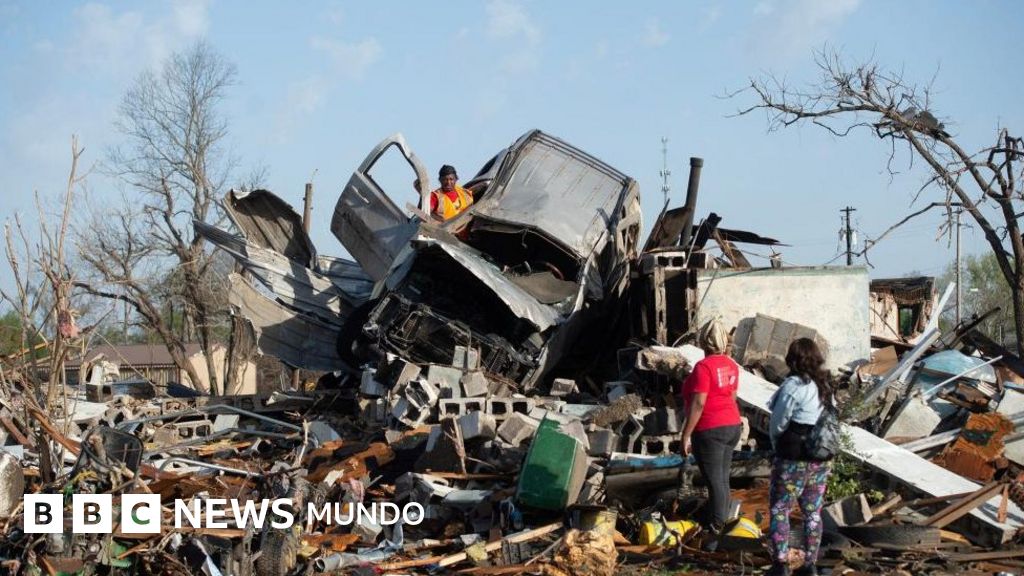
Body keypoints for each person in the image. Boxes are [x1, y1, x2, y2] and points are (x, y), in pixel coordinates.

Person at [765, 338, 835, 576]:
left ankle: (781, 563)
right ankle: (810, 564)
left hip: (793, 457)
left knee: (780, 508)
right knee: (813, 512)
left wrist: (777, 445)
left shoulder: (793, 385)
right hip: (820, 458)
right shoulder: (825, 386)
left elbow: (778, 422)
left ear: (792, 359)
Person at [680, 319, 743, 538]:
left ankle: (716, 532)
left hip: (710, 429)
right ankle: (722, 525)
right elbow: (732, 397)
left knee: (714, 482)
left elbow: (699, 403)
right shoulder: (731, 365)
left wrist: (686, 435)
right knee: (722, 480)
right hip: (732, 426)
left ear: (703, 341)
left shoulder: (703, 367)